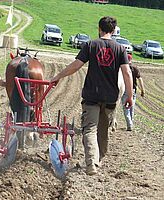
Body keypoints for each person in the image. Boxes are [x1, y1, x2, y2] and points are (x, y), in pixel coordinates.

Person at [51, 16, 133, 175]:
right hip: (110, 98)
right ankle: (98, 160)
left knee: (89, 129)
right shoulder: (120, 49)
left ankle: (91, 164)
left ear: (99, 29)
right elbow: (127, 73)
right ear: (114, 31)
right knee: (103, 130)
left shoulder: (90, 45)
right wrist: (129, 96)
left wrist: (57, 76)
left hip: (92, 96)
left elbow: (75, 66)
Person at [121, 54, 145, 131]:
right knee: (132, 107)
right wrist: (142, 90)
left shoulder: (122, 68)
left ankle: (129, 124)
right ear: (131, 59)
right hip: (133, 89)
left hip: (124, 89)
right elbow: (140, 79)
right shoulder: (135, 68)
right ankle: (131, 123)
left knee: (126, 108)